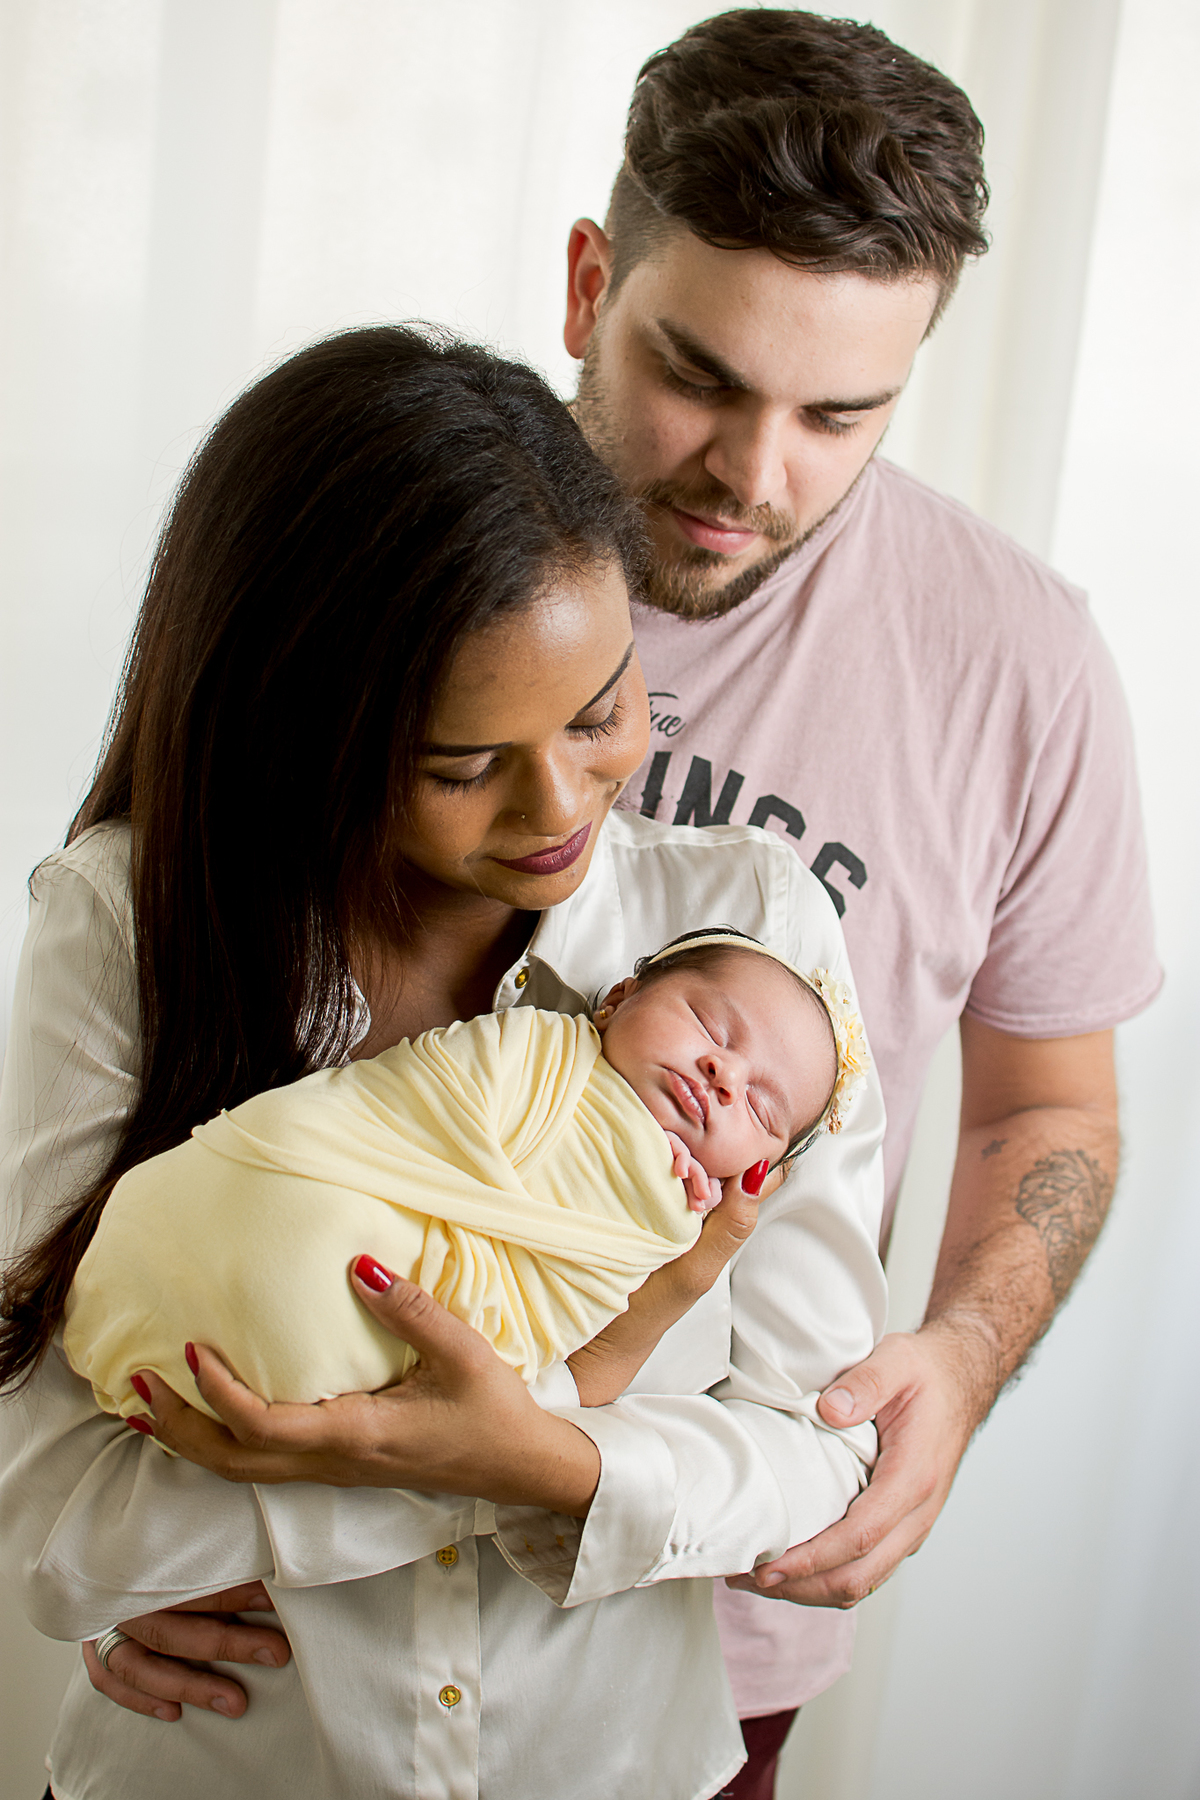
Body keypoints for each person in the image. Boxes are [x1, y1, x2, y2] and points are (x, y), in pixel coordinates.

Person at [54, 12, 1163, 1795]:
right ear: (588, 281)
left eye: (841, 413)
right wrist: (144, 1523)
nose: (756, 471)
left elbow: (1052, 1102)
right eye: (702, 377)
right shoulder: (399, 549)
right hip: (287, 1665)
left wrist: (950, 1367)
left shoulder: (1017, 667)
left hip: (687, 1638)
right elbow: (142, 1104)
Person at [0, 324, 887, 1800]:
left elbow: (814, 1454)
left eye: (604, 709)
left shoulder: (752, 942)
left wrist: (534, 1464)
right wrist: (543, 1459)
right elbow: (55, 1522)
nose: (562, 805)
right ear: (306, 733)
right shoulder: (128, 919)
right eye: (461, 764)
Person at [64, 931, 862, 1419]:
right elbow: (404, 1113)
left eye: (760, 1107)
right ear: (618, 999)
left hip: (350, 1335)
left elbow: (554, 1314)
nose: (725, 1076)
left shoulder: (675, 1229)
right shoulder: (534, 1048)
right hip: (306, 1178)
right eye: (712, 1025)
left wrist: (650, 1210)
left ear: (754, 1172)